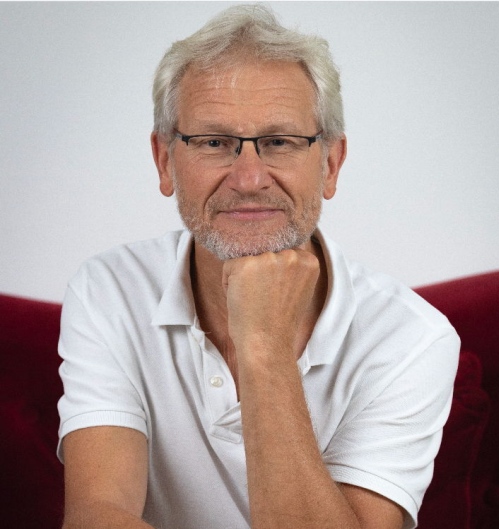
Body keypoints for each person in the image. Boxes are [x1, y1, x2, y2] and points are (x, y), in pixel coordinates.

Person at [57, 4, 460, 529]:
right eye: (214, 142)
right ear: (164, 161)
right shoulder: (109, 289)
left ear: (331, 164)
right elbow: (97, 516)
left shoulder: (412, 339)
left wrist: (263, 347)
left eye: (279, 142)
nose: (249, 178)